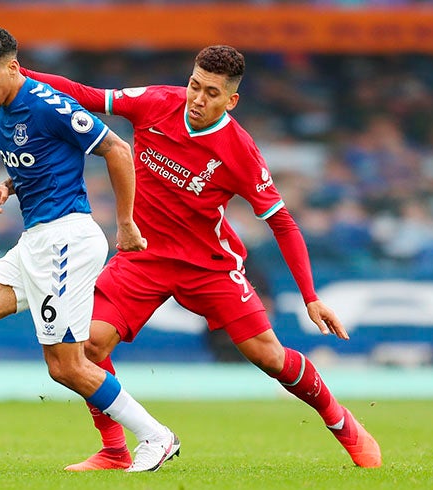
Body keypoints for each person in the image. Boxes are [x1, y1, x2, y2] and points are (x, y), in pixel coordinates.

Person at [19, 45, 382, 470]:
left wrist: (310, 295)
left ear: (231, 100)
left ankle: (341, 423)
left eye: (211, 92)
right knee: (90, 344)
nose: (197, 98)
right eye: (194, 85)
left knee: (268, 356)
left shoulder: (239, 150)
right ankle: (114, 450)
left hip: (207, 263)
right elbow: (85, 94)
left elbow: (282, 222)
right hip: (143, 255)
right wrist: (17, 72)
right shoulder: (156, 102)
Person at [0, 26, 180, 473]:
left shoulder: (48, 104)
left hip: (66, 240)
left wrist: (126, 223)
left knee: (67, 367)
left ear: (12, 68)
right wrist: (7, 187)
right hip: (34, 242)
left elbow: (118, 150)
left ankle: (156, 436)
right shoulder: (2, 109)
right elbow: (44, 161)